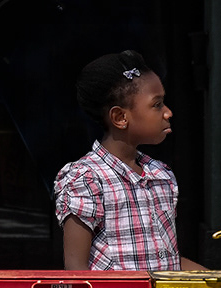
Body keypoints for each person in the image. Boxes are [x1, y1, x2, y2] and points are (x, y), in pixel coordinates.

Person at [54, 50, 206, 272]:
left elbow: (167, 261)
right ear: (120, 117)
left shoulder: (161, 175)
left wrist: (216, 280)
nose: (168, 112)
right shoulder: (85, 178)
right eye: (157, 104)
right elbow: (77, 270)